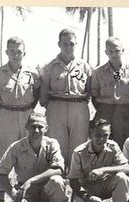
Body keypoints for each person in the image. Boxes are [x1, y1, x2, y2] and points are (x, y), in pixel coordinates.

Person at [0, 37, 41, 202]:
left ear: (24, 53)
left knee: (28, 155)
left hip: (27, 114)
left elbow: (36, 96)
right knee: (3, 156)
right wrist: (9, 110)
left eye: (19, 51)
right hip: (6, 115)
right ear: (6, 52)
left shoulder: (32, 73)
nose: (15, 55)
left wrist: (25, 112)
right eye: (12, 51)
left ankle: (29, 197)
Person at [0, 113, 68, 202]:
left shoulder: (52, 144)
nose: (36, 130)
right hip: (26, 192)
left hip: (47, 189)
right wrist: (13, 193)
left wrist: (32, 180)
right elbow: (0, 173)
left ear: (46, 128)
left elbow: (59, 169)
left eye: (40, 127)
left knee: (56, 180)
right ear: (27, 127)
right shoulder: (16, 147)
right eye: (33, 126)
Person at [39, 28, 92, 172]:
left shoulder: (85, 67)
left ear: (76, 44)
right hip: (56, 108)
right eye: (65, 44)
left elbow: (89, 91)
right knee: (57, 145)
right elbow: (43, 97)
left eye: (71, 44)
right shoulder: (49, 67)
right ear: (59, 44)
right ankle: (58, 179)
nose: (68, 47)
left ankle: (76, 182)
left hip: (79, 108)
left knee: (79, 145)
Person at [67, 119, 129, 202]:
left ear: (109, 134)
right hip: (87, 188)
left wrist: (103, 170)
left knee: (122, 178)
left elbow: (126, 168)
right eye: (98, 135)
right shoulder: (79, 151)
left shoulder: (113, 146)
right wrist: (87, 197)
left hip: (106, 184)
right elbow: (73, 180)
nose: (101, 139)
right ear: (91, 133)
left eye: (105, 135)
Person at [90, 37, 129, 149]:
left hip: (124, 112)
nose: (114, 54)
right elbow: (94, 95)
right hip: (104, 111)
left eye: (117, 51)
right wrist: (104, 109)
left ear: (123, 50)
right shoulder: (98, 72)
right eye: (110, 51)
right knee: (102, 144)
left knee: (125, 145)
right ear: (106, 52)